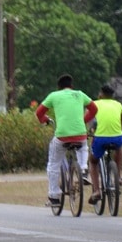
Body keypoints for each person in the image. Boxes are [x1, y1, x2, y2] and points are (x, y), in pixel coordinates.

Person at [35, 74, 98, 207]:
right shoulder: (80, 94)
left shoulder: (54, 95)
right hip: (80, 135)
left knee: (53, 164)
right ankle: (83, 168)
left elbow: (39, 112)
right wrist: (83, 120)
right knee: (83, 147)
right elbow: (94, 109)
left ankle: (54, 196)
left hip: (62, 136)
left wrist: (45, 120)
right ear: (71, 86)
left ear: (59, 87)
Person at [88, 84, 122, 205]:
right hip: (117, 137)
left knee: (93, 161)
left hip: (100, 139)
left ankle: (96, 190)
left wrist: (89, 132)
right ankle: (118, 177)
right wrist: (121, 131)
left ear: (101, 94)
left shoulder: (95, 104)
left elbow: (89, 120)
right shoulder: (118, 105)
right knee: (119, 147)